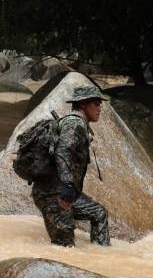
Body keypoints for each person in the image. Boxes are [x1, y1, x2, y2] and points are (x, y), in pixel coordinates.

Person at [31, 84, 110, 247]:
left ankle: (102, 256)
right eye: (96, 103)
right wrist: (67, 184)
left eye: (100, 104)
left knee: (99, 213)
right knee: (64, 245)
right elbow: (63, 151)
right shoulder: (74, 123)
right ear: (82, 104)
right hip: (52, 195)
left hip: (65, 193)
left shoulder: (80, 124)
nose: (99, 108)